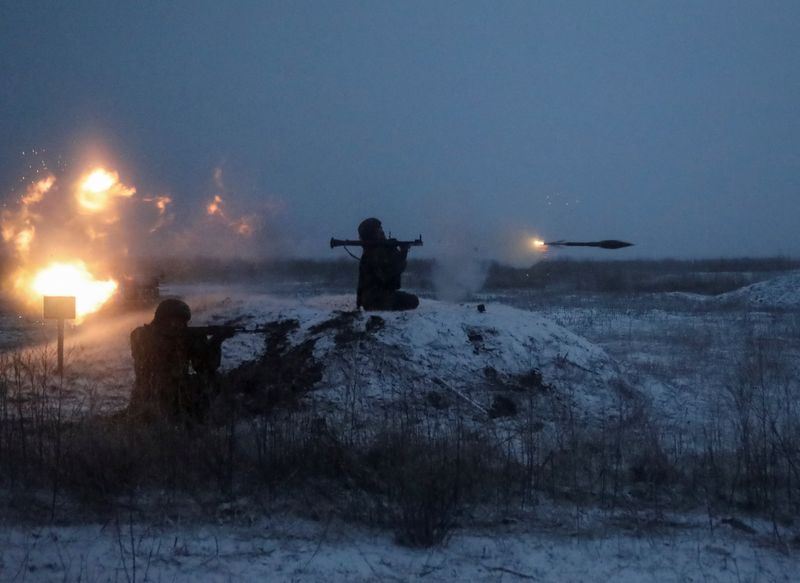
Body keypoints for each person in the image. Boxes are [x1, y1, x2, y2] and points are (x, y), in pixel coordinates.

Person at [129, 298, 233, 420]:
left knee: (214, 380)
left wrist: (215, 342)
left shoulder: (185, 338)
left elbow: (205, 367)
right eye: (175, 321)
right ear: (162, 320)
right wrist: (181, 340)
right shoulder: (141, 334)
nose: (180, 325)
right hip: (151, 394)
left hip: (178, 393)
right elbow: (152, 358)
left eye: (183, 322)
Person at [356, 217, 420, 311]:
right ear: (372, 233)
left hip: (371, 298)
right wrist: (402, 253)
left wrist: (393, 250)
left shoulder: (371, 251)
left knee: (409, 299)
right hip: (377, 299)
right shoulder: (375, 252)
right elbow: (389, 274)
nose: (382, 232)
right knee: (413, 301)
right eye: (379, 229)